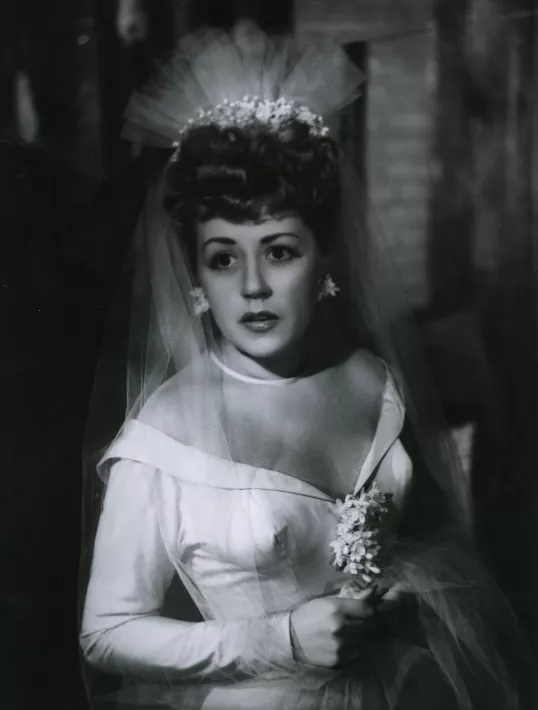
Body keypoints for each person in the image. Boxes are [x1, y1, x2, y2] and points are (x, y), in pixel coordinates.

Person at [79, 22, 526, 710]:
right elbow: (106, 633)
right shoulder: (161, 437)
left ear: (324, 261)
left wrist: (394, 601)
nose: (252, 286)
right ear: (196, 277)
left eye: (280, 250)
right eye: (223, 258)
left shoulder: (373, 379)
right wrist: (281, 637)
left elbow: (428, 540)